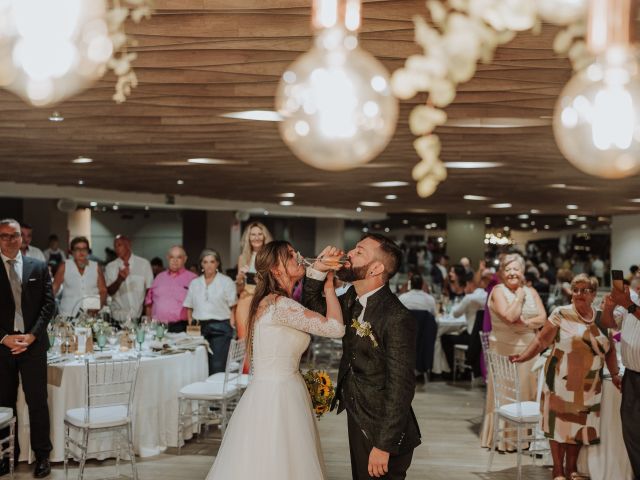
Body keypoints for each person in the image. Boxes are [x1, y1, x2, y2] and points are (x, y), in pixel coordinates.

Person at [206, 241, 344, 479]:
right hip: (280, 395)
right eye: (290, 255)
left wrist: (318, 273)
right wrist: (329, 288)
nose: (298, 256)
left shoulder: (269, 302)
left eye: (295, 251)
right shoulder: (282, 305)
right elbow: (336, 328)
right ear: (275, 269)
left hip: (268, 391)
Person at [304, 234, 421, 480]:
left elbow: (401, 386)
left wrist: (383, 445)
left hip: (382, 427)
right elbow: (316, 313)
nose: (350, 253)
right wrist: (318, 271)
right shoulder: (351, 299)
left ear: (376, 268)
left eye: (359, 251)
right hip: (358, 415)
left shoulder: (397, 317)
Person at [511, 274, 619, 480]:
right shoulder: (560, 313)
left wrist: (614, 374)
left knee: (578, 427)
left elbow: (611, 350)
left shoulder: (602, 318)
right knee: (558, 426)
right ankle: (558, 470)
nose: (578, 294)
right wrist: (524, 357)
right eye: (575, 289)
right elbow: (541, 341)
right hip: (560, 380)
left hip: (589, 384)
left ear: (594, 294)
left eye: (584, 290)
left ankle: (571, 469)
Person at [0, 219, 55, 478]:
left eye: (15, 235)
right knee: (3, 405)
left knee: (37, 403)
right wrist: (3, 338)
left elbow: (49, 305)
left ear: (22, 238)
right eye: (4, 236)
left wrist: (32, 336)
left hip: (32, 346)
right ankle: (6, 455)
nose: (10, 240)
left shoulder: (38, 266)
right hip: (3, 348)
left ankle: (42, 457)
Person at [480, 252, 547, 450]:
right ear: (501, 273)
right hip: (505, 353)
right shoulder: (499, 291)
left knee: (528, 392)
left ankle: (526, 439)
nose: (512, 273)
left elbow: (543, 318)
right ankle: (504, 441)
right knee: (509, 394)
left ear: (523, 271)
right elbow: (510, 316)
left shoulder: (532, 292)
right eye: (507, 269)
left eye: (515, 269)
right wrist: (518, 297)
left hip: (531, 351)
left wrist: (525, 323)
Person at [601, 277, 640, 480]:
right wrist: (609, 306)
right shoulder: (632, 301)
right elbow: (609, 324)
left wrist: (629, 305)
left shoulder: (631, 303)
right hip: (632, 375)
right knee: (632, 432)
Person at [183, 249, 237, 374]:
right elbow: (189, 306)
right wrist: (191, 322)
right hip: (198, 328)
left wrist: (232, 323)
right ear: (201, 264)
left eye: (212, 262)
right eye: (205, 262)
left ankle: (216, 392)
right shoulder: (195, 283)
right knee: (196, 365)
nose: (209, 265)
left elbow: (233, 306)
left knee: (217, 366)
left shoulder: (226, 281)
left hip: (221, 327)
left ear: (217, 263)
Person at [441, 270, 489, 377]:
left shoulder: (469, 298)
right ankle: (464, 369)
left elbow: (456, 314)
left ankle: (452, 370)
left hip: (472, 336)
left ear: (471, 284)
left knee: (445, 338)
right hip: (484, 336)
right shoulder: (487, 295)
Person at [144, 246, 196, 333]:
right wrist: (148, 325)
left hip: (181, 327)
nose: (175, 260)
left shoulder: (193, 279)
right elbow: (149, 303)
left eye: (179, 257)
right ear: (167, 258)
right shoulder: (159, 277)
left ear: (185, 259)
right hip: (157, 327)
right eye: (172, 257)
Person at [104, 235, 153, 323]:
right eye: (115, 246)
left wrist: (147, 315)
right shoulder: (110, 267)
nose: (116, 249)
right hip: (118, 318)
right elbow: (109, 291)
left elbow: (150, 291)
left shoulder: (144, 264)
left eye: (119, 245)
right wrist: (120, 279)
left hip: (138, 318)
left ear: (128, 245)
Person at [53, 236, 107, 317]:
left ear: (88, 251)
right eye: (78, 249)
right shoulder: (65, 266)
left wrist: (98, 307)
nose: (81, 252)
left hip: (90, 315)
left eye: (84, 249)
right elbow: (54, 289)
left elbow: (103, 290)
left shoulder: (95, 267)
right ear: (72, 251)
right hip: (67, 315)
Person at [235, 222, 273, 294]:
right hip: (247, 297)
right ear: (248, 237)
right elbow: (239, 290)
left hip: (266, 297)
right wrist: (239, 279)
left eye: (260, 234)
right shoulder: (242, 258)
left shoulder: (271, 257)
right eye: (253, 234)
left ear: (265, 236)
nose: (257, 238)